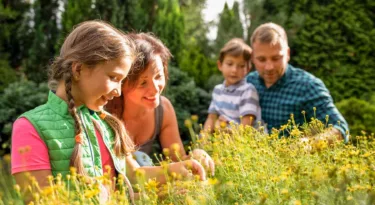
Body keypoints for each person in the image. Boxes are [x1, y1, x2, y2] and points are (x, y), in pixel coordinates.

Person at [11, 21, 206, 204]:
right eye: (114, 78)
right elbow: (40, 200)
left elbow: (133, 176)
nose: (118, 91)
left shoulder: (107, 124)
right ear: (78, 69)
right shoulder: (30, 127)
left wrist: (178, 171)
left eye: (122, 81)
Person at [105, 33, 214, 172]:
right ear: (122, 83)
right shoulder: (104, 111)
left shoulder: (163, 109)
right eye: (143, 83)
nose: (155, 89)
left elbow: (178, 160)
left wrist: (196, 155)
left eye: (158, 76)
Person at [246, 22, 349, 142]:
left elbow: (341, 129)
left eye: (276, 58)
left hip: (293, 159)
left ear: (288, 54)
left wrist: (309, 144)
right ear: (252, 57)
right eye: (261, 59)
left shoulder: (308, 85)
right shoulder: (248, 82)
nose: (269, 67)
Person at [204, 38, 263, 132]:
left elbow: (246, 128)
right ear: (220, 65)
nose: (234, 70)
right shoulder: (217, 90)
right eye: (229, 64)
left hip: (243, 141)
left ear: (248, 69)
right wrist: (203, 140)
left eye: (241, 66)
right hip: (223, 138)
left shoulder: (248, 91)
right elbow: (211, 118)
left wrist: (223, 130)